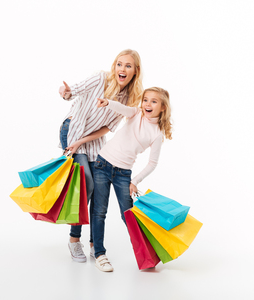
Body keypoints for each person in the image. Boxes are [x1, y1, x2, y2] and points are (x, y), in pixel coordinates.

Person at [58, 49, 144, 262]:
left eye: (128, 66)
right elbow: (73, 91)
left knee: (99, 189)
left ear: (135, 71)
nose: (122, 69)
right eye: (119, 64)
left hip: (94, 141)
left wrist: (83, 142)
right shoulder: (100, 78)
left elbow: (106, 128)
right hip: (73, 130)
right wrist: (65, 91)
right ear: (114, 65)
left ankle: (94, 243)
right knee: (85, 182)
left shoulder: (129, 99)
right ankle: (74, 240)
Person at [91, 87, 173, 272]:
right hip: (103, 164)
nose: (148, 104)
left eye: (154, 101)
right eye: (146, 100)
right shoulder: (135, 113)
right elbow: (122, 108)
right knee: (99, 211)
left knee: (128, 215)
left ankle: (146, 254)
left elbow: (152, 163)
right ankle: (99, 254)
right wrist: (108, 103)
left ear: (162, 107)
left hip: (123, 174)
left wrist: (135, 181)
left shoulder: (157, 133)